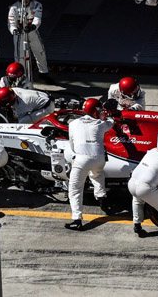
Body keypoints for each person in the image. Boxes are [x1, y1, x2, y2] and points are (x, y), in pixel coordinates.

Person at [65, 98, 115, 231]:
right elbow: (112, 122)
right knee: (97, 174)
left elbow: (72, 144)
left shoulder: (73, 123)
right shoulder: (100, 123)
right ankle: (101, 198)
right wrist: (108, 114)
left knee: (75, 189)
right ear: (94, 111)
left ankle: (77, 219)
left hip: (81, 158)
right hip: (99, 158)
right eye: (98, 110)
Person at [8, 0, 49, 80]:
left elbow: (37, 18)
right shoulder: (13, 8)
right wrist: (14, 30)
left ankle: (43, 73)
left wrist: (33, 27)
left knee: (40, 52)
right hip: (19, 34)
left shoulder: (37, 5)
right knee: (20, 57)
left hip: (32, 32)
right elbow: (11, 22)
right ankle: (20, 75)